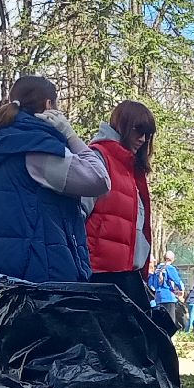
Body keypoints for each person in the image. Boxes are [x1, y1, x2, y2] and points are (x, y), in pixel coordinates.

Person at [0, 75, 109, 316]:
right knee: (47, 352)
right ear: (49, 106)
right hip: (40, 279)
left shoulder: (0, 147)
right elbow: (99, 180)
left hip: (3, 281)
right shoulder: (37, 148)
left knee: (9, 350)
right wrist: (70, 135)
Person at [84, 100, 157, 314]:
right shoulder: (99, 157)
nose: (142, 139)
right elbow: (78, 213)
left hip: (128, 276)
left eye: (148, 134)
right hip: (99, 275)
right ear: (122, 125)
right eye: (138, 130)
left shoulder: (132, 168)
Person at [149, 251, 185, 332]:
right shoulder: (170, 268)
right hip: (168, 297)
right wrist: (182, 289)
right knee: (170, 320)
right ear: (172, 259)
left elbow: (151, 284)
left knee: (161, 320)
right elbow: (177, 280)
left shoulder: (157, 268)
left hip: (158, 297)